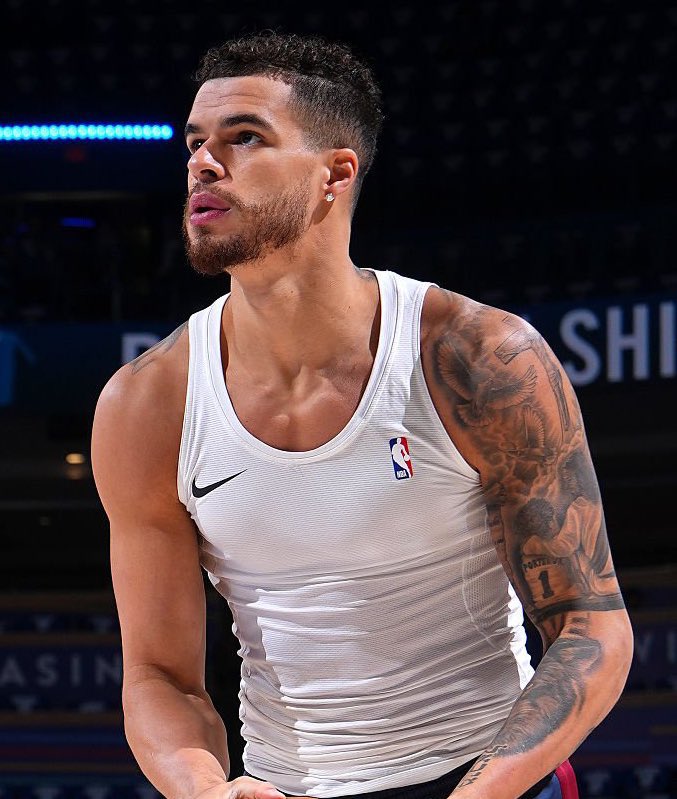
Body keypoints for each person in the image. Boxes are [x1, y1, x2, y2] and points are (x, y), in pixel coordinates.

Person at [91, 32, 633, 799]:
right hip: (283, 785)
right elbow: (159, 675)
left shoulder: (476, 356)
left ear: (335, 173)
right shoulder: (147, 404)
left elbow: (588, 625)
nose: (203, 163)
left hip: (482, 773)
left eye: (244, 137)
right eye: (195, 142)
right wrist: (204, 789)